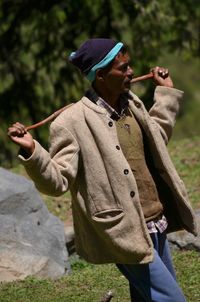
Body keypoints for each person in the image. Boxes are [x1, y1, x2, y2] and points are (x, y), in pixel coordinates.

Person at [8, 38, 197, 302]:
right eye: (123, 68)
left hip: (155, 220)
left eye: (129, 65)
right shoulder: (71, 122)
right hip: (123, 230)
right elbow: (58, 182)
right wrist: (32, 152)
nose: (130, 72)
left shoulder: (131, 105)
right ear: (101, 75)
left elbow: (156, 141)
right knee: (171, 299)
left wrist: (165, 95)